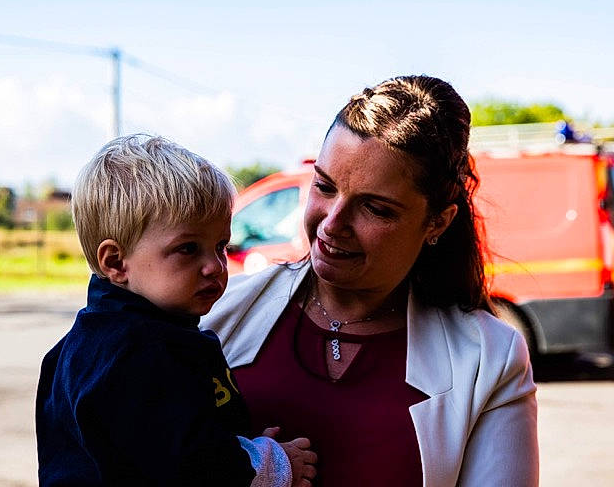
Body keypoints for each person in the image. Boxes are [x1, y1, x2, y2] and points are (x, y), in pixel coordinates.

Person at [201, 76, 539, 486]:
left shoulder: (490, 358)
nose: (332, 223)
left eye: (375, 209)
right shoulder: (210, 314)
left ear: (437, 221)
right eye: (324, 186)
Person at [35, 135, 317, 486]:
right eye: (188, 249)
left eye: (220, 246)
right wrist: (273, 464)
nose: (214, 266)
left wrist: (242, 444)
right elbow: (188, 469)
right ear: (116, 261)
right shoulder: (142, 356)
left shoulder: (79, 348)